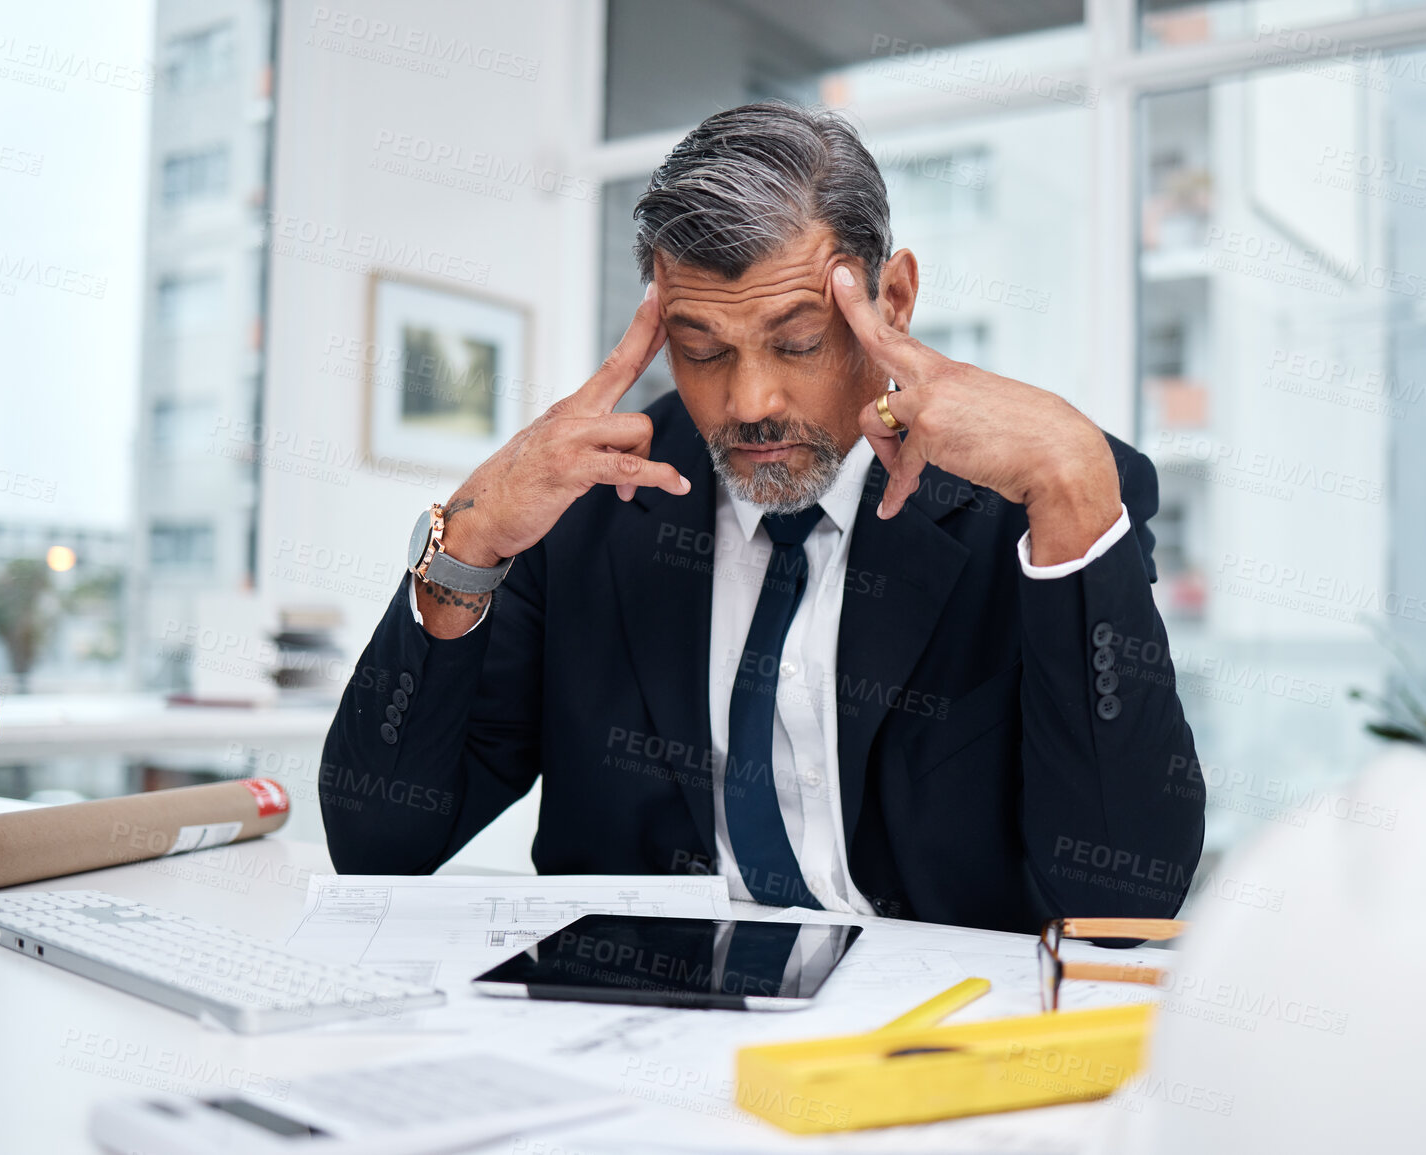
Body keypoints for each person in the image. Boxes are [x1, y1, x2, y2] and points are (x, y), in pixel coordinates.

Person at [320, 102, 1202, 933]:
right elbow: (377, 844)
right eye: (702, 351)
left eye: (797, 342)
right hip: (637, 1010)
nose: (748, 401)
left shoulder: (1043, 497)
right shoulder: (588, 496)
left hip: (929, 1033)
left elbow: (1121, 900)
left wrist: (1078, 493)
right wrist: (466, 542)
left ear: (891, 300)